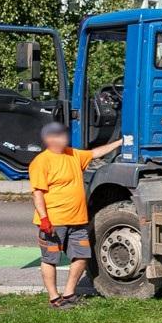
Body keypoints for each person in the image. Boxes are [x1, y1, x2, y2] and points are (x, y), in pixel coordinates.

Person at [29, 121, 100, 308]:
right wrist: (44, 219)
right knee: (50, 259)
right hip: (53, 221)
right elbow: (37, 193)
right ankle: (54, 298)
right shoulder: (41, 161)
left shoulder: (73, 154)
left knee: (82, 256)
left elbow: (95, 154)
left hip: (77, 220)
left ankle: (69, 294)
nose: (63, 139)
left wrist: (123, 141)